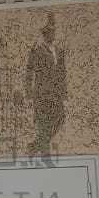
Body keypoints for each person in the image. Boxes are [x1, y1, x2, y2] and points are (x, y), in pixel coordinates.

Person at [25, 13, 66, 155]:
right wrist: (28, 91)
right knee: (43, 121)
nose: (52, 35)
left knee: (60, 118)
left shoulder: (59, 51)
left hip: (56, 92)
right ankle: (42, 148)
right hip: (41, 91)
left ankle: (37, 145)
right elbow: (29, 70)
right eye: (49, 32)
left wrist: (63, 92)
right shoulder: (37, 51)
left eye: (53, 32)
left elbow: (62, 72)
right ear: (44, 34)